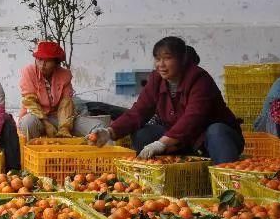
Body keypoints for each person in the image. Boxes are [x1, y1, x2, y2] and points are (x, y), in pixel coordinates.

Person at [89, 36, 244, 163]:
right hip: (181, 142)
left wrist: (162, 143)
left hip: (208, 140)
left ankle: (227, 180)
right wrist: (109, 131)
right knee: (142, 133)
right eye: (157, 59)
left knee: (216, 131)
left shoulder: (199, 79)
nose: (160, 65)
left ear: (182, 60)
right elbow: (139, 111)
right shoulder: (156, 79)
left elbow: (193, 117)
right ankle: (168, 170)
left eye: (167, 58)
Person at [18, 40, 104, 139]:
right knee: (28, 123)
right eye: (39, 59)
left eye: (48, 61)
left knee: (98, 127)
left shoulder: (65, 75)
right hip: (36, 118)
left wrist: (64, 128)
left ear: (56, 62)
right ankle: (37, 151)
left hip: (59, 118)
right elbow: (29, 101)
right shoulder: (28, 72)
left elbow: (66, 103)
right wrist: (46, 124)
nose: (42, 64)